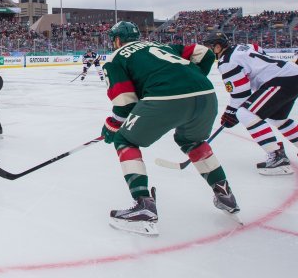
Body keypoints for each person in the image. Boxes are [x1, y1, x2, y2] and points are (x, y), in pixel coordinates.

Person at [101, 21, 239, 236]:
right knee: (192, 141)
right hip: (206, 95)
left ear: (117, 40)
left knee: (124, 140)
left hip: (166, 98)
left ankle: (143, 205)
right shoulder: (161, 46)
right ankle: (224, 194)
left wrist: (111, 126)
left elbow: (124, 103)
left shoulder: (116, 57)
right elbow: (205, 53)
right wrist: (193, 77)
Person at [204, 32, 298, 175]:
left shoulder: (227, 62)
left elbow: (241, 95)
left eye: (210, 47)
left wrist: (230, 114)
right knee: (277, 119)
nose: (208, 50)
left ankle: (278, 158)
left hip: (280, 81)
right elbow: (259, 49)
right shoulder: (242, 47)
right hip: (290, 74)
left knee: (245, 113)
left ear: (218, 47)